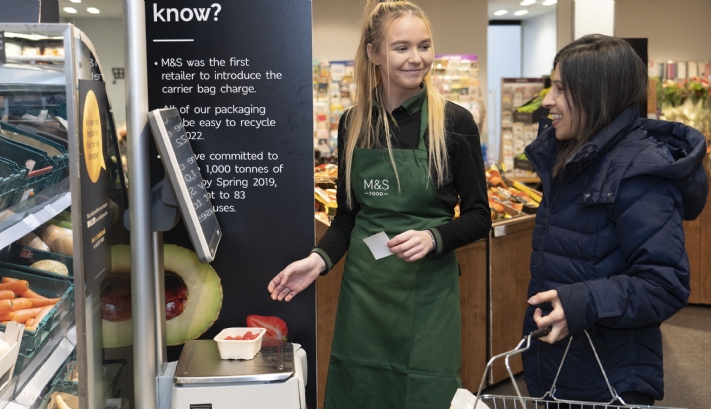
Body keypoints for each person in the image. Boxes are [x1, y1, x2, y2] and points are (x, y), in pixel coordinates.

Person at [267, 1, 491, 408]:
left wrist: (433, 236)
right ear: (373, 53)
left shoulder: (454, 124)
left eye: (424, 46)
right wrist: (317, 261)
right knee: (360, 389)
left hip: (427, 295)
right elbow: (348, 217)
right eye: (401, 47)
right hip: (365, 293)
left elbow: (479, 217)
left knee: (424, 391)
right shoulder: (353, 123)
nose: (416, 58)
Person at [522, 34, 708, 406]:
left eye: (560, 89)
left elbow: (664, 283)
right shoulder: (571, 160)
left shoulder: (639, 172)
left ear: (596, 94)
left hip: (611, 380)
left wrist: (582, 302)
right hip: (562, 367)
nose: (547, 101)